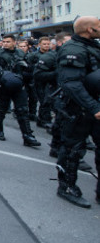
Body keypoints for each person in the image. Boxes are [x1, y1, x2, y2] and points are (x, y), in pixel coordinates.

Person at [55, 16, 100, 208]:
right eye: (98, 26)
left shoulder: (92, 46)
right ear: (90, 30)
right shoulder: (72, 49)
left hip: (94, 104)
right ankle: (66, 187)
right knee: (73, 150)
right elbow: (71, 84)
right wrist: (95, 108)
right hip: (78, 109)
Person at [0, 35, 40, 147]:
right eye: (3, 41)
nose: (5, 43)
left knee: (22, 110)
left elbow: (28, 69)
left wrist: (26, 71)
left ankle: (27, 135)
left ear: (14, 42)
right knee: (1, 109)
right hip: (4, 85)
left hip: (19, 84)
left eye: (8, 41)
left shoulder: (20, 53)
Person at [31, 37, 57, 130]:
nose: (46, 46)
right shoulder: (34, 55)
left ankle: (42, 119)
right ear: (39, 45)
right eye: (44, 44)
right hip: (38, 82)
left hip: (49, 81)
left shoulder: (53, 54)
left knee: (47, 101)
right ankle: (46, 120)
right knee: (43, 101)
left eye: (48, 44)